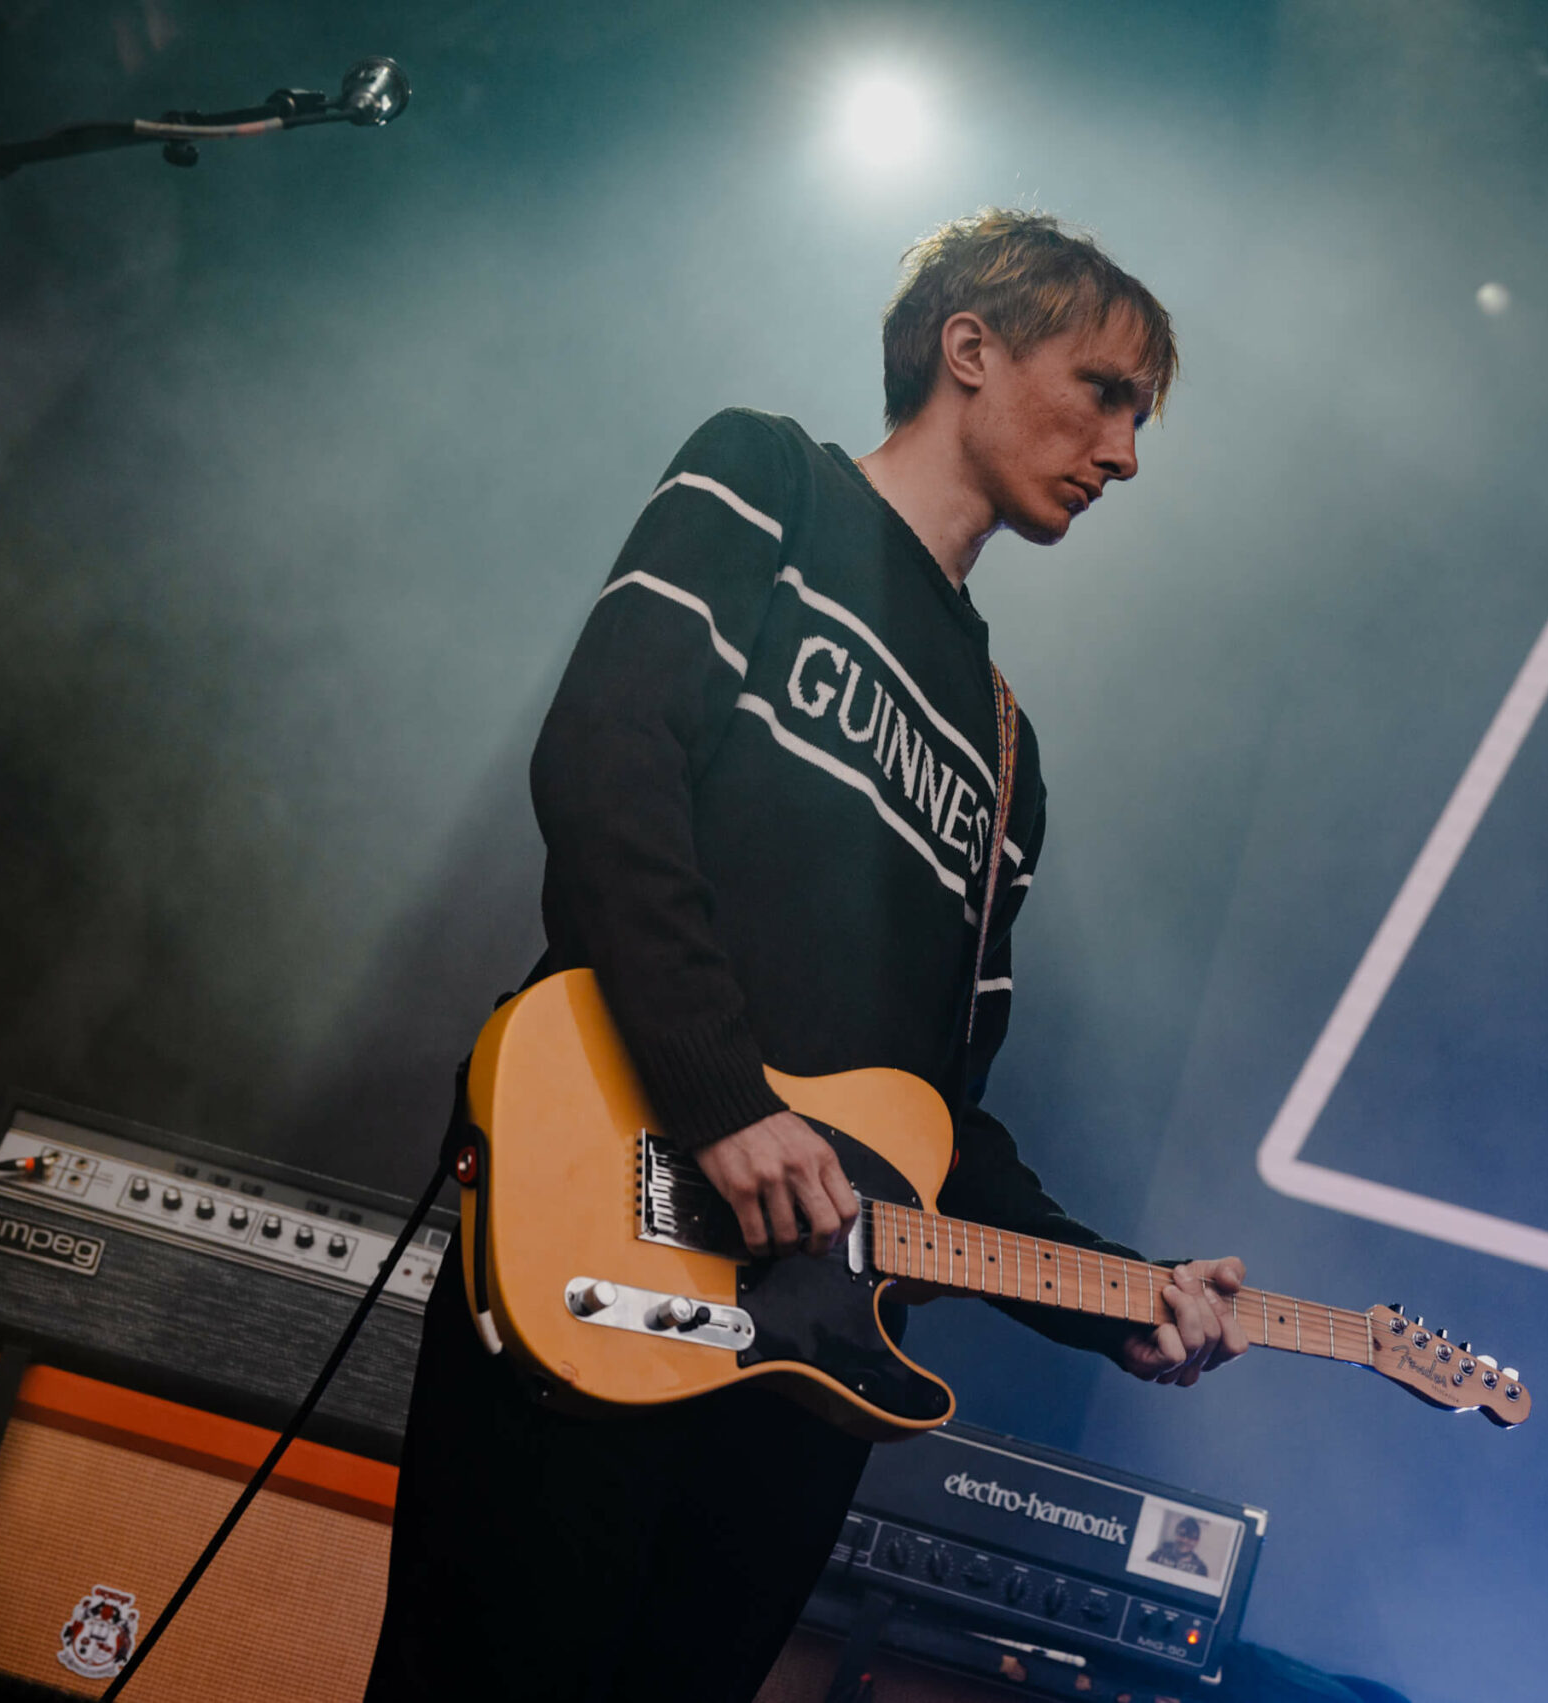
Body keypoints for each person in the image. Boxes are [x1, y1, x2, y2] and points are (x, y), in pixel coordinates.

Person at [364, 208, 1249, 1703]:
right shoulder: (766, 478)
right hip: (607, 1224)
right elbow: (606, 765)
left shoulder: (1008, 756)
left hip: (803, 1352)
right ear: (970, 347)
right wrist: (721, 1101)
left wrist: (1119, 1294)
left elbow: (940, 1126)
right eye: (1106, 392)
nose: (1127, 454)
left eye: (1142, 419)